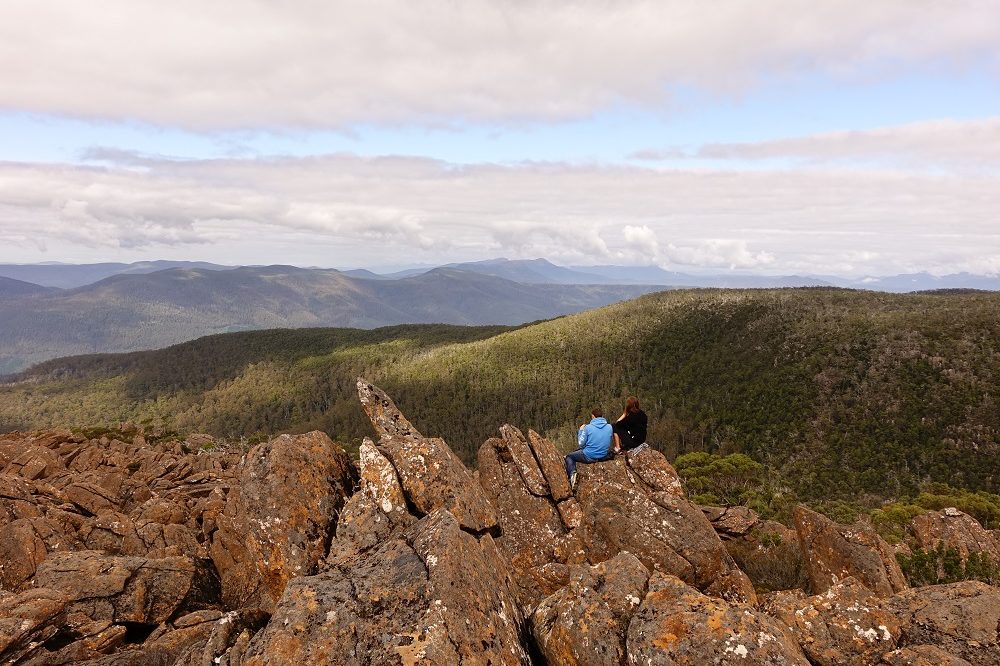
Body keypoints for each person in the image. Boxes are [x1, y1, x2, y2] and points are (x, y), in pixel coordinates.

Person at [565, 407, 613, 488]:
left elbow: (581, 444)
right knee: (579, 451)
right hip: (603, 455)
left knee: (569, 456)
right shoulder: (609, 427)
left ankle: (573, 475)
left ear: (593, 416)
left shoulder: (588, 428)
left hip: (589, 456)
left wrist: (581, 430)